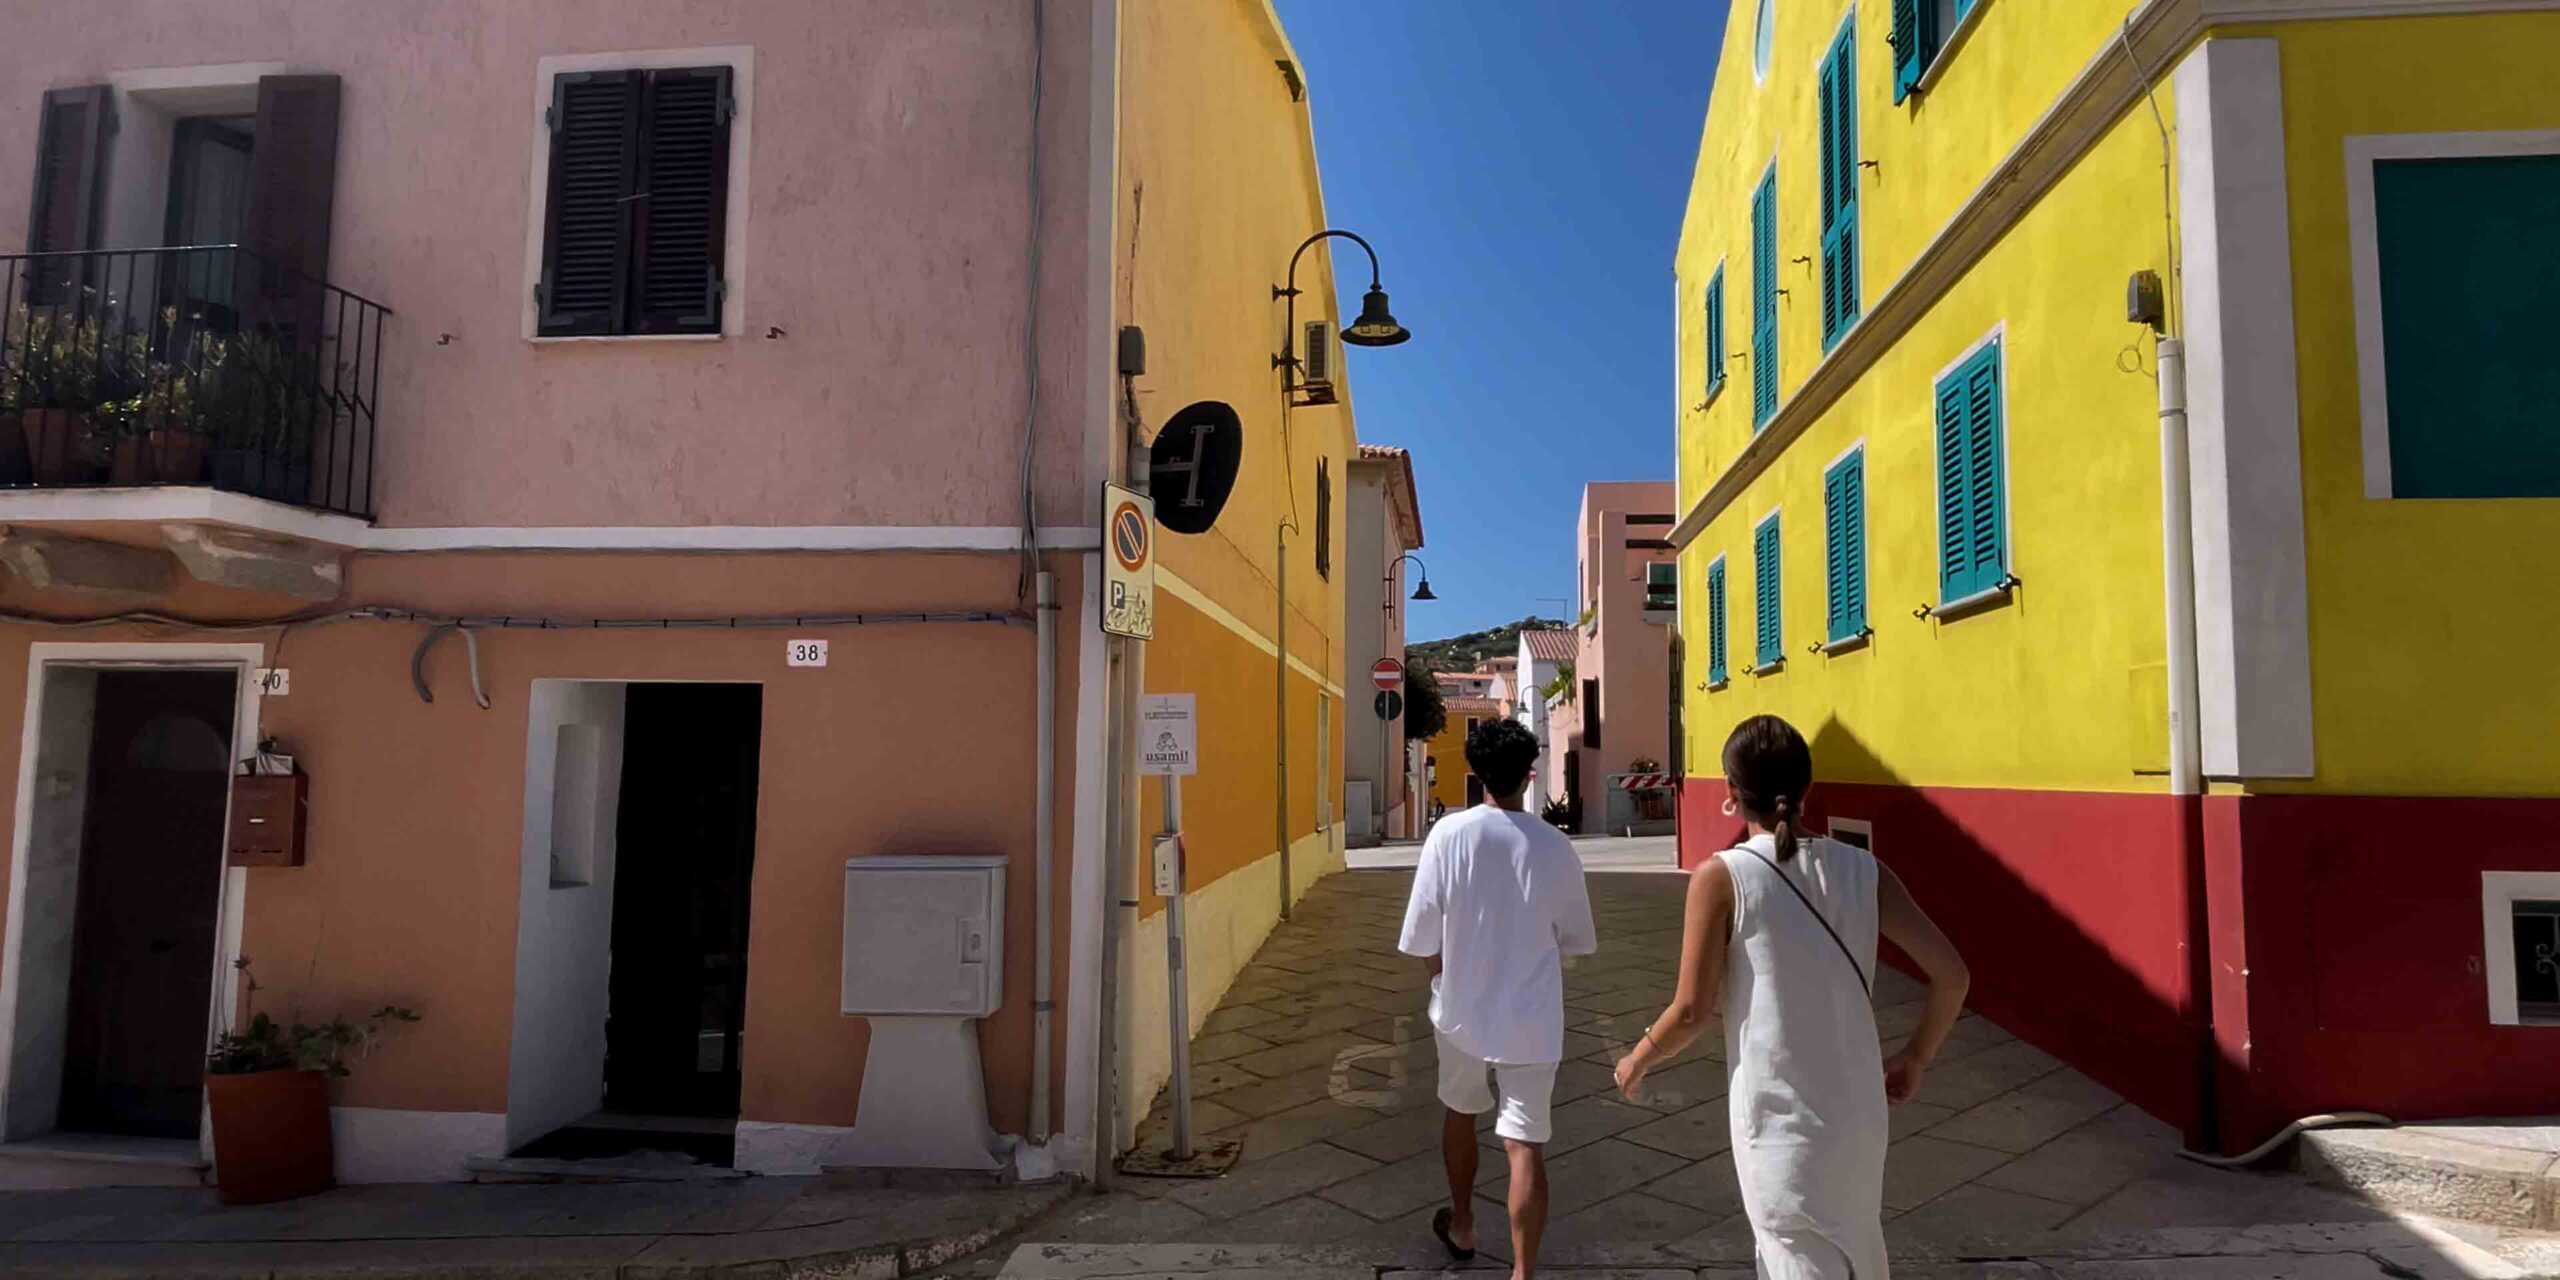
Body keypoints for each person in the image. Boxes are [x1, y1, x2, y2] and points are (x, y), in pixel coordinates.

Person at [1614, 715, 1969, 1279]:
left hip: (1780, 1128)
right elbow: (1953, 975)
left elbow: (1691, 1010)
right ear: (1808, 788)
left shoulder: (1722, 877)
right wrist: (1916, 1056)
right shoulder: (1865, 871)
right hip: (1858, 1119)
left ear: (1731, 793)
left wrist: (1637, 1059)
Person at [1398, 718, 1596, 1280]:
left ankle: (1462, 1222)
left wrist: (1441, 984)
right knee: (1525, 1143)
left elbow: (1422, 936)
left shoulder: (1447, 836)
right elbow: (1577, 939)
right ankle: (1523, 1272)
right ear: (1530, 776)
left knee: (1460, 1111)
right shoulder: (1556, 846)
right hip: (1532, 1016)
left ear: (1477, 772)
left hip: (1461, 1009)